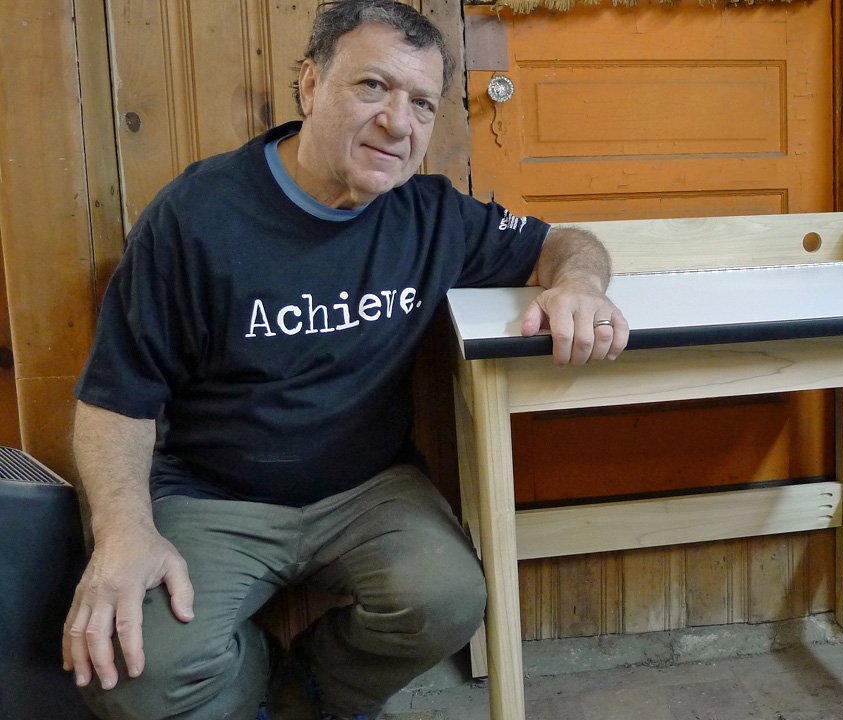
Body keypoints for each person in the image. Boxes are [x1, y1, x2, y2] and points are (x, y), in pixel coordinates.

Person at [61, 1, 629, 718]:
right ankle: (258, 687)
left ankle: (316, 694)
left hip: (368, 491)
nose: (398, 122)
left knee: (448, 598)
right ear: (310, 84)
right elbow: (116, 400)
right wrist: (123, 531)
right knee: (132, 675)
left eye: (422, 103)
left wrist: (579, 283)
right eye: (373, 86)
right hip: (212, 497)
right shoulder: (196, 217)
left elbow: (562, 242)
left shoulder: (432, 215)